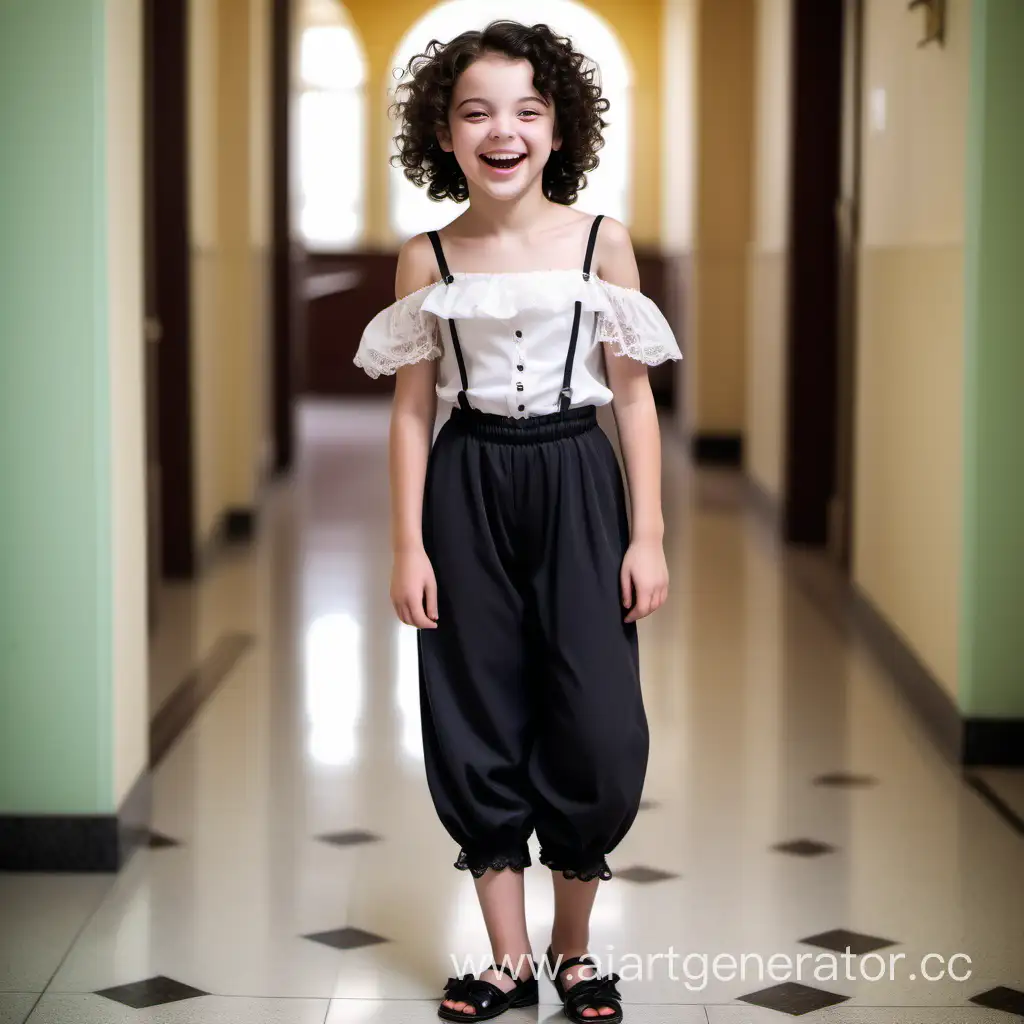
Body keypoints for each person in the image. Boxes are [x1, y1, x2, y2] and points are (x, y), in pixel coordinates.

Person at [354, 19, 681, 1023]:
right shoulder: (428, 257)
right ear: (443, 134)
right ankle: (505, 961)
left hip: (579, 480)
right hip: (467, 485)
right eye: (476, 111)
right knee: (475, 707)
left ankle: (573, 950)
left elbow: (632, 397)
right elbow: (413, 409)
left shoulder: (599, 240)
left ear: (557, 127)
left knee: (598, 725)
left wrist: (648, 532)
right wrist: (408, 543)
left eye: (526, 110)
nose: (503, 130)